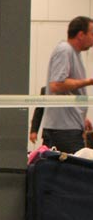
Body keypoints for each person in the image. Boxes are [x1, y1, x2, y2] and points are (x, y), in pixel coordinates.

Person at [41, 16, 93, 153]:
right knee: (76, 172)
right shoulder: (65, 50)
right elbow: (56, 84)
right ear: (81, 35)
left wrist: (81, 117)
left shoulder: (74, 54)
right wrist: (89, 81)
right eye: (92, 33)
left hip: (69, 127)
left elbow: (67, 89)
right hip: (63, 131)